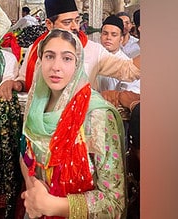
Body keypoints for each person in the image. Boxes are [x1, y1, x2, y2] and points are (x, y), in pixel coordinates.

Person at [20, 29, 127, 218]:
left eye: (67, 58)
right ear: (40, 61)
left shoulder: (96, 116)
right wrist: (33, 187)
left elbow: (113, 202)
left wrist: (55, 206)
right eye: (49, 56)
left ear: (78, 64)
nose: (56, 66)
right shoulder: (35, 105)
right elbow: (25, 151)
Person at [17, 0, 141, 93]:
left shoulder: (93, 50)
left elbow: (127, 70)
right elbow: (24, 80)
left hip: (82, 122)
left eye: (77, 20)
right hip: (41, 121)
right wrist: (14, 84)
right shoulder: (36, 49)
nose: (75, 27)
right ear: (49, 24)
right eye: (67, 22)